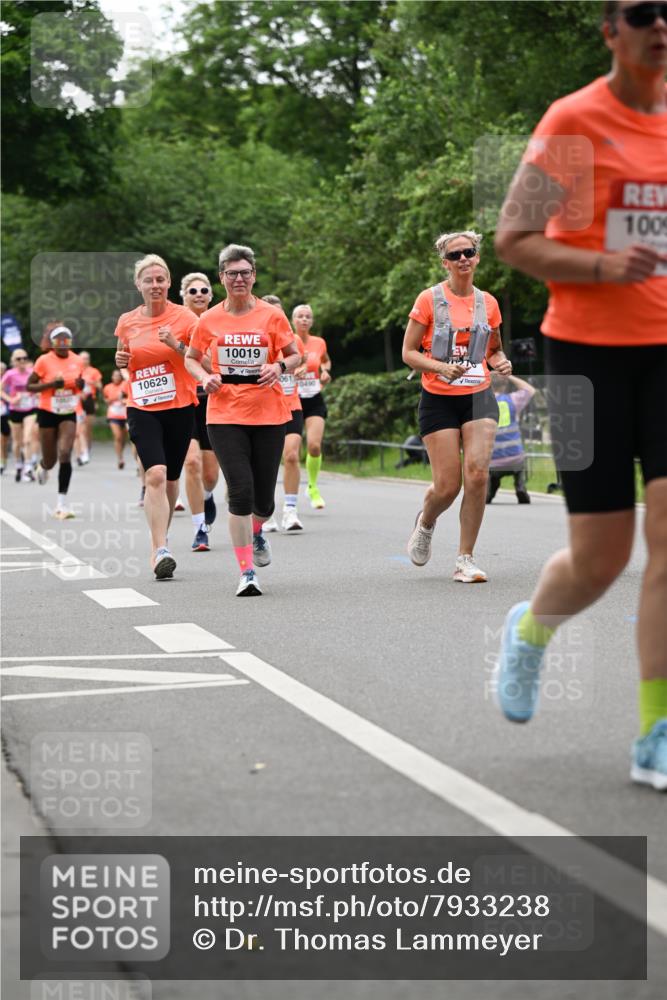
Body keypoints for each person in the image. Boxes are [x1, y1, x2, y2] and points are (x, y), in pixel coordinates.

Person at [493, 0, 667, 790]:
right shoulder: (574, 120)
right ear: (609, 30)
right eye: (644, 12)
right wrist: (602, 266)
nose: (660, 24)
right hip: (584, 357)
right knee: (602, 558)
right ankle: (530, 632)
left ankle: (654, 732)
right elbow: (513, 239)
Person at [185, 244, 301, 596]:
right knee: (240, 489)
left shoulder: (272, 316)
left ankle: (256, 530)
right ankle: (246, 571)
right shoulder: (209, 320)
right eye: (232, 273)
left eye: (245, 273)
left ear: (254, 276)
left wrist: (278, 366)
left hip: (268, 412)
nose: (239, 279)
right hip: (224, 413)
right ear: (221, 278)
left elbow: (296, 355)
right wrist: (205, 379)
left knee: (263, 500)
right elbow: (192, 358)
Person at [402, 230, 512, 582]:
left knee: (477, 474)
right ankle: (427, 520)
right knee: (447, 486)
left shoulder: (488, 303)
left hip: (479, 396)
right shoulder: (429, 300)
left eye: (470, 252)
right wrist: (440, 367)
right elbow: (409, 352)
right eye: (456, 255)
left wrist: (501, 362)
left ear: (478, 257)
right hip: (438, 400)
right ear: (445, 262)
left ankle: (465, 558)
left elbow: (493, 349)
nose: (463, 258)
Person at [114, 254, 198, 579]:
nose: (155, 285)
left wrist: (176, 345)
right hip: (143, 406)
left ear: (169, 283)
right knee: (156, 475)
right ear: (138, 285)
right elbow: (125, 360)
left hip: (179, 406)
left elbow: (200, 360)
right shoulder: (127, 321)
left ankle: (162, 536)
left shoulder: (187, 319)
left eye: (160, 279)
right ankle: (158, 548)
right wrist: (122, 361)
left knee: (172, 479)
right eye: (148, 280)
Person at [179, 272, 220, 552]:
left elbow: (212, 363)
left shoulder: (219, 323)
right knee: (191, 463)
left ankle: (207, 495)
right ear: (184, 294)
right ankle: (199, 529)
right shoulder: (172, 323)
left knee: (210, 473)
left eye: (204, 290)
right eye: (192, 290)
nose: (199, 294)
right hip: (183, 400)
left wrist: (181, 346)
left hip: (213, 401)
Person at [260, 295, 307, 533]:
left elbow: (305, 360)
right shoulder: (256, 339)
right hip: (264, 408)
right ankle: (264, 511)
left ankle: (290, 510)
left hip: (291, 405)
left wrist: (301, 369)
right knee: (265, 462)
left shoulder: (293, 338)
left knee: (290, 456)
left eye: (279, 313)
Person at [28, 326, 85, 518]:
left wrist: (81, 385)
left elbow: (80, 383)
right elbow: (30, 385)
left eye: (66, 341)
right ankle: (43, 467)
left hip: (69, 410)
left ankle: (62, 503)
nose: (62, 344)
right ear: (52, 343)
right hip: (47, 410)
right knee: (51, 460)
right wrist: (51, 384)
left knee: (65, 453)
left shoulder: (77, 360)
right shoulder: (43, 360)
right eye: (59, 341)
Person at [293, 303, 332, 509]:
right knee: (292, 452)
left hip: (314, 398)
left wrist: (325, 372)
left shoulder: (319, 342)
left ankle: (313, 486)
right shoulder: (287, 341)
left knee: (315, 446)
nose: (304, 320)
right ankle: (289, 493)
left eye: (308, 316)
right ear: (293, 320)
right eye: (300, 316)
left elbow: (325, 361)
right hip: (292, 399)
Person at [486, 372, 536, 504]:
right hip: (515, 459)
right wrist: (508, 376)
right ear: (504, 385)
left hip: (493, 462)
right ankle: (520, 485)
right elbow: (530, 390)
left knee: (492, 475)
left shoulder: (482, 404)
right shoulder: (512, 400)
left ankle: (490, 490)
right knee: (519, 466)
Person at [1, 348, 39, 481]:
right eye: (19, 359)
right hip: (15, 410)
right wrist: (11, 399)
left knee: (27, 438)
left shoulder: (32, 372)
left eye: (24, 358)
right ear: (13, 361)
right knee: (17, 442)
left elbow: (39, 386)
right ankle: (18, 464)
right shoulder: (10, 374)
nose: (22, 361)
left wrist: (35, 393)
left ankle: (28, 467)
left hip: (30, 409)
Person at [75, 350, 103, 465]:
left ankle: (87, 449)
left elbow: (100, 386)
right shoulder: (75, 370)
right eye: (82, 358)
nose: (84, 360)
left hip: (90, 399)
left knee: (87, 428)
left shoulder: (94, 371)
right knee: (78, 429)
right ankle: (79, 455)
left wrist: (92, 382)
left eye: (86, 358)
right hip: (77, 399)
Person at [103, 369, 129, 469]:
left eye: (118, 376)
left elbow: (130, 397)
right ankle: (120, 458)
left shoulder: (125, 384)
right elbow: (106, 399)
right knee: (117, 436)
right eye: (115, 376)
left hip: (125, 414)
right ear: (112, 377)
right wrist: (111, 399)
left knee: (124, 438)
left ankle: (120, 452)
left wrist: (124, 400)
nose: (117, 377)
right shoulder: (108, 387)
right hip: (113, 415)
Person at [0, 362, 10, 475]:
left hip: (7, 412)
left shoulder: (9, 380)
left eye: (2, 369)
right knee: (1, 439)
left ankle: (4, 458)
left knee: (5, 438)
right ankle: (1, 462)